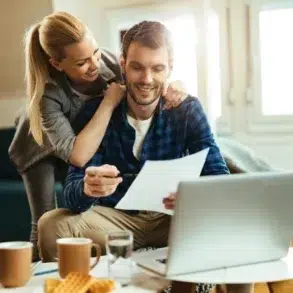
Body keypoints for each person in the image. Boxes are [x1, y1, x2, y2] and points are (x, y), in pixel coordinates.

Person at [37, 20, 253, 293]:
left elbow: (217, 175)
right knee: (50, 226)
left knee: (239, 226)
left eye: (157, 68)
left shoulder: (186, 109)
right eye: (137, 67)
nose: (147, 79)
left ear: (170, 67)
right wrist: (87, 188)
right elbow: (70, 193)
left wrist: (194, 198)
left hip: (173, 220)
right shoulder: (97, 113)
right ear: (123, 64)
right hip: (116, 222)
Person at [8, 12, 187, 261]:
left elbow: (147, 81)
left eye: (95, 53)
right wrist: (109, 102)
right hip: (40, 147)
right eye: (82, 62)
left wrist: (173, 85)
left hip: (87, 135)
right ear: (57, 64)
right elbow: (79, 156)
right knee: (43, 221)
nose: (94, 65)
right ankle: (36, 279)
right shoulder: (48, 98)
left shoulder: (109, 62)